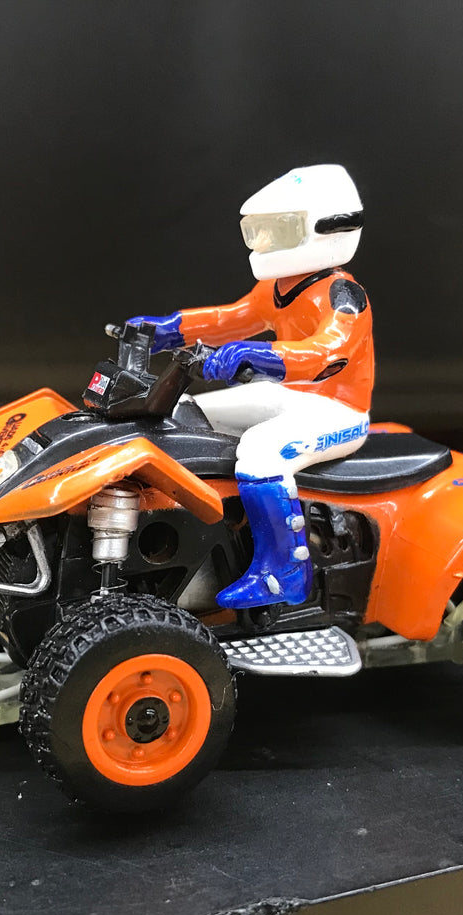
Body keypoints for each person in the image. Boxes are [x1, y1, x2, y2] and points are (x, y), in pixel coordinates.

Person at [128, 163, 375, 608]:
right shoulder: (277, 287)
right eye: (257, 232)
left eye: (277, 231)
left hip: (338, 411)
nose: (263, 243)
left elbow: (329, 353)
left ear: (327, 230)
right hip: (288, 395)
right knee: (186, 411)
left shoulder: (343, 296)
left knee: (262, 453)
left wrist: (259, 356)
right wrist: (167, 329)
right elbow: (230, 319)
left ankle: (285, 571)